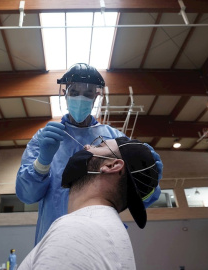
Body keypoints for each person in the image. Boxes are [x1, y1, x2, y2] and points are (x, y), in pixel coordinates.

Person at [16, 63, 163, 245]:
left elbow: (138, 199)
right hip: (54, 237)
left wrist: (148, 182)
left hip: (98, 236)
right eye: (74, 92)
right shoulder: (45, 138)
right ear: (64, 93)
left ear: (97, 96)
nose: (80, 98)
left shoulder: (114, 138)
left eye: (87, 94)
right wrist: (42, 162)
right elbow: (27, 196)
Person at [19, 137, 161, 269]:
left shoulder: (78, 232)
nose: (86, 146)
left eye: (99, 145)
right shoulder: (101, 228)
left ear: (112, 165)